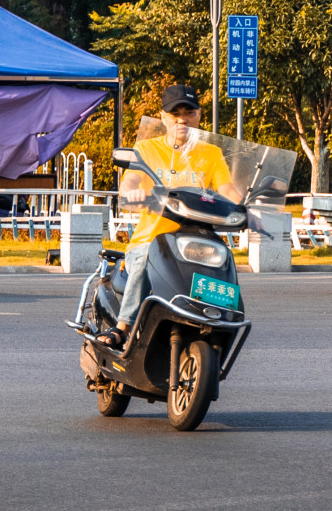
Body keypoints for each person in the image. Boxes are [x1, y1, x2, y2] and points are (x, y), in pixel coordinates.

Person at [103, 85, 242, 331]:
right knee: (145, 257)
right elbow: (130, 182)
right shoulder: (147, 150)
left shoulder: (211, 153)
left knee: (223, 260)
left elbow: (226, 188)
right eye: (174, 113)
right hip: (152, 238)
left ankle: (225, 323)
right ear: (163, 117)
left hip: (196, 239)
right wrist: (131, 192)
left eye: (189, 112)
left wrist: (245, 207)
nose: (182, 119)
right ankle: (123, 327)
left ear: (199, 115)